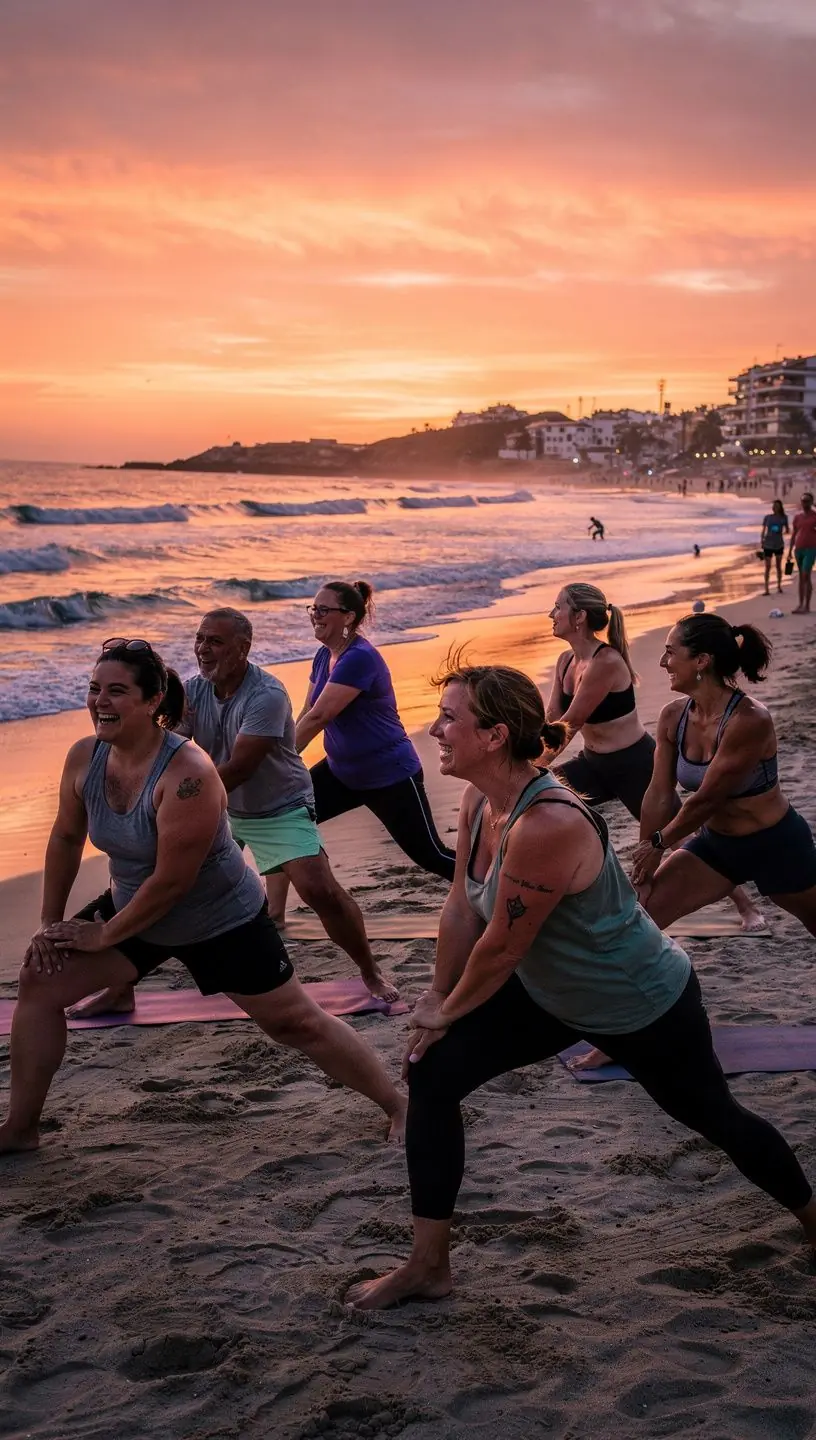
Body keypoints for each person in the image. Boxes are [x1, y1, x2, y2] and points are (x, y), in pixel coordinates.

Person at [345, 659, 816, 1309]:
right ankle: (429, 1266)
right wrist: (434, 998)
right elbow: (460, 906)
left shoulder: (548, 824)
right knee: (433, 1071)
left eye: (450, 719)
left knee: (714, 1118)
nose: (435, 731)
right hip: (553, 993)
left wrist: (449, 1007)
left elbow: (503, 946)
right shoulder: (481, 800)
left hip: (639, 999)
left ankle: (813, 1220)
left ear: (494, 737)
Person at [0, 640, 405, 1156]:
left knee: (295, 1022)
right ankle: (21, 1128)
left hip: (219, 918)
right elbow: (63, 838)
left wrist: (102, 933)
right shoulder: (85, 756)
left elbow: (173, 882)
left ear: (152, 701)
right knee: (40, 979)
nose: (100, 701)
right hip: (133, 906)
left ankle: (399, 1104)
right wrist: (49, 923)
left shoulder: (187, 773)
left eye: (117, 691)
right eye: (94, 688)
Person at [71, 610, 397, 1019]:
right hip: (212, 808)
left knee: (319, 891)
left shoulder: (267, 695)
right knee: (140, 874)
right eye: (200, 639)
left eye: (216, 642)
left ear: (243, 648)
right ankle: (121, 990)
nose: (204, 649)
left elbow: (242, 767)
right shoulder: (190, 693)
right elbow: (159, 749)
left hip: (276, 805)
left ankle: (370, 972)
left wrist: (179, 804)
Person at [577, 613, 816, 1070]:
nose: (664, 661)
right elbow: (659, 792)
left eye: (672, 652)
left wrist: (661, 842)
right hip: (717, 848)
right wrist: (648, 850)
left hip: (776, 845)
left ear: (702, 661)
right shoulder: (673, 716)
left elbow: (706, 799)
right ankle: (623, 1034)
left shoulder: (749, 720)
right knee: (638, 920)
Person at [544, 583, 763, 931]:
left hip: (634, 763)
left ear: (580, 616)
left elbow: (571, 723)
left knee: (681, 838)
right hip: (593, 763)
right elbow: (553, 722)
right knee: (544, 804)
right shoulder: (566, 661)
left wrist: (533, 769)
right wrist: (531, 766)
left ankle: (747, 906)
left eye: (557, 607)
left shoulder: (606, 662)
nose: (551, 615)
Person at [295, 580, 455, 881]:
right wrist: (279, 759)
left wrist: (276, 760)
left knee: (431, 856)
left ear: (348, 617)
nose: (315, 615)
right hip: (341, 773)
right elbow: (306, 712)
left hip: (388, 775)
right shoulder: (323, 655)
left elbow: (320, 717)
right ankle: (286, 904)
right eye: (313, 608)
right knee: (290, 818)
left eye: (324, 609)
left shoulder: (359, 658)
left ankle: (499, 886)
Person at [787, 491, 816, 613]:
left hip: (811, 548)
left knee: (806, 575)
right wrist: (789, 551)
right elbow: (794, 534)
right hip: (799, 549)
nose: (805, 503)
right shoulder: (797, 517)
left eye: (807, 501)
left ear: (811, 502)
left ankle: (807, 605)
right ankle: (800, 604)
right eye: (803, 501)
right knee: (801, 577)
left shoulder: (815, 516)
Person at [760, 499, 788, 595]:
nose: (775, 507)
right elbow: (763, 530)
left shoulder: (784, 518)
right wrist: (762, 541)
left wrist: (779, 531)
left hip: (779, 544)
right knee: (767, 567)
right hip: (768, 544)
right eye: (774, 505)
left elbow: (787, 530)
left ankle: (779, 586)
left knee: (778, 566)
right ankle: (766, 589)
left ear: (780, 507)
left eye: (777, 506)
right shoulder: (767, 517)